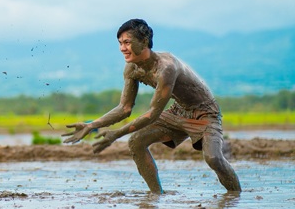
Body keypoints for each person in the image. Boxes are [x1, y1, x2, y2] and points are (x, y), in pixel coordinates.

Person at [62, 19, 241, 194]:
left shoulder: (166, 68)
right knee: (136, 142)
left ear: (144, 42)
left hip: (205, 113)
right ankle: (156, 196)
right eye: (120, 43)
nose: (122, 48)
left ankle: (235, 197)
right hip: (178, 111)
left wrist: (115, 134)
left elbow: (154, 113)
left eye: (127, 42)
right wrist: (92, 125)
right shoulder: (132, 69)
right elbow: (124, 108)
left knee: (214, 159)